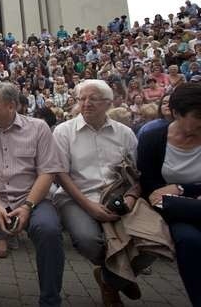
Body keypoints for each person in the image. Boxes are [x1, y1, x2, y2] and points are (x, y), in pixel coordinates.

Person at [0, 82, 66, 307]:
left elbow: (47, 171)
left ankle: (50, 300)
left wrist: (28, 206)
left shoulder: (39, 128)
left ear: (11, 106)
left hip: (33, 199)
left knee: (49, 231)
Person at [53, 80, 151, 306]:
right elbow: (60, 175)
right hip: (76, 197)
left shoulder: (125, 133)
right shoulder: (64, 132)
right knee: (89, 241)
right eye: (81, 98)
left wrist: (130, 198)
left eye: (93, 98)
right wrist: (89, 207)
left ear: (108, 103)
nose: (86, 103)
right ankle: (119, 278)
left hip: (120, 196)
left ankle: (110, 279)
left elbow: (136, 174)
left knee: (152, 240)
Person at [138, 83, 201, 306]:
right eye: (197, 115)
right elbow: (150, 188)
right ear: (175, 113)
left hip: (180, 201)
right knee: (190, 241)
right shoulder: (153, 138)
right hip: (170, 209)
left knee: (188, 236)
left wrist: (183, 189)